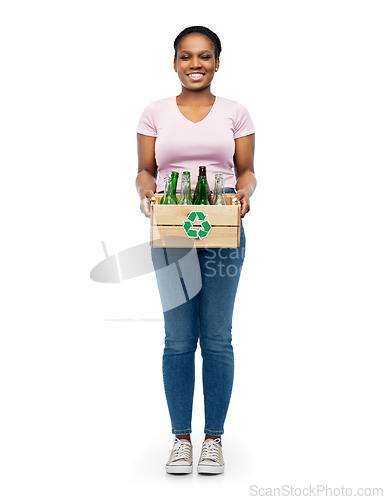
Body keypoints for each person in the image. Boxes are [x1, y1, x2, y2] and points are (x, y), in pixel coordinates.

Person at [135, 26, 256, 474]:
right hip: (172, 231)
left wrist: (245, 194)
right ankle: (181, 438)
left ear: (218, 62)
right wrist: (147, 193)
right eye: (186, 57)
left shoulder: (236, 113)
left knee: (218, 337)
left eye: (205, 56)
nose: (195, 65)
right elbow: (145, 172)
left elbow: (246, 172)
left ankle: (214, 440)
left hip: (223, 228)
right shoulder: (154, 113)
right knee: (179, 339)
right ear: (174, 63)